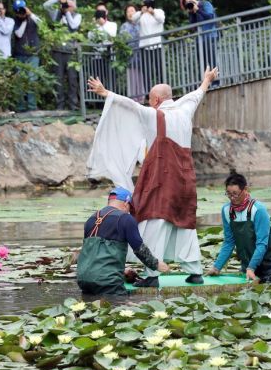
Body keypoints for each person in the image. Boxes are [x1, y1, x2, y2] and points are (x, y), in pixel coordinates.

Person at [86, 65, 220, 288]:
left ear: (156, 100)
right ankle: (195, 271)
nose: (148, 102)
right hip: (185, 180)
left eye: (149, 98)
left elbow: (129, 105)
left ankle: (152, 275)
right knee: (185, 223)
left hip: (162, 180)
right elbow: (196, 94)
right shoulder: (185, 110)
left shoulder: (152, 114)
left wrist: (105, 92)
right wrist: (207, 80)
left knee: (153, 222)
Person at [77, 187, 170, 295]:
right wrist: (156, 264)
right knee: (122, 306)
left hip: (84, 281)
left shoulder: (91, 219)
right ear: (126, 203)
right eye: (130, 207)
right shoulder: (125, 219)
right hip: (108, 283)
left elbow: (91, 253)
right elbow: (139, 249)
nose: (129, 211)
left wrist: (123, 270)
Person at [208, 172, 271, 283]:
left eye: (235, 193)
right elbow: (229, 242)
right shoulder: (226, 210)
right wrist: (216, 267)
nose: (232, 198)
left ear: (245, 190)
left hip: (270, 265)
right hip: (247, 265)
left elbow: (262, 243)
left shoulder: (258, 210)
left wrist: (251, 268)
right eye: (228, 194)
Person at [43, 0, 82, 110]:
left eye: (70, 4)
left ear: (74, 6)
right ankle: (59, 105)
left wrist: (67, 12)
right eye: (66, 4)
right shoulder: (56, 14)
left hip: (71, 52)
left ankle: (73, 105)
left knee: (72, 79)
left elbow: (74, 26)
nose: (67, 6)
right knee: (58, 79)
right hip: (57, 51)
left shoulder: (77, 16)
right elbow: (45, 6)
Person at [180, 0, 218, 86]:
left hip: (210, 36)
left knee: (212, 60)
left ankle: (216, 83)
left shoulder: (205, 4)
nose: (188, 3)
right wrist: (192, 12)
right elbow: (193, 27)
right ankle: (206, 84)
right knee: (203, 62)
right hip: (199, 40)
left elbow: (210, 17)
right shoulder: (192, 11)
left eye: (189, 0)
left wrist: (198, 10)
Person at [12, 0, 41, 112]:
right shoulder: (14, 21)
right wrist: (24, 21)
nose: (21, 13)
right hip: (19, 54)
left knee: (32, 79)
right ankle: (20, 106)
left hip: (33, 54)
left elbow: (42, 24)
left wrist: (30, 14)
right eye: (18, 11)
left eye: (22, 10)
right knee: (19, 80)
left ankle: (32, 106)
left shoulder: (33, 18)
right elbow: (18, 34)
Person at [131, 0, 166, 86]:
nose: (148, 5)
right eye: (146, 3)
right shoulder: (141, 14)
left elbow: (161, 19)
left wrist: (153, 12)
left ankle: (162, 89)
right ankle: (148, 93)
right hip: (144, 46)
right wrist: (141, 12)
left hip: (157, 45)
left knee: (159, 69)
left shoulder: (159, 11)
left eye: (150, 3)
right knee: (146, 71)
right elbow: (133, 20)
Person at [118, 4, 144, 102]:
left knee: (142, 77)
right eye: (128, 11)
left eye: (132, 11)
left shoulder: (141, 23)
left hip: (142, 54)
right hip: (130, 55)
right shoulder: (124, 26)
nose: (130, 13)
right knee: (132, 78)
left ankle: (142, 97)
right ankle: (133, 99)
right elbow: (122, 40)